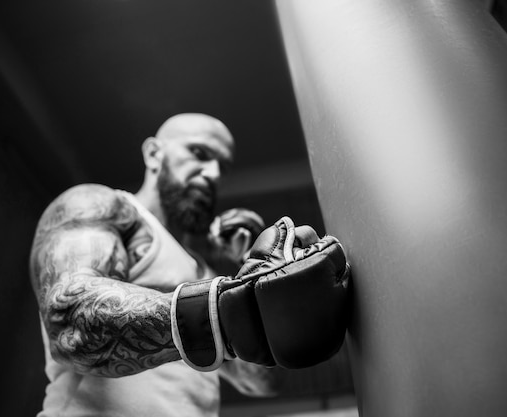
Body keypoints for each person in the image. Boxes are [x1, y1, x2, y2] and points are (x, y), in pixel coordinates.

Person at [29, 113, 350, 416]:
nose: (212, 174)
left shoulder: (206, 271)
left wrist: (245, 284)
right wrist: (221, 311)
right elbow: (70, 321)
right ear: (154, 154)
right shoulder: (102, 206)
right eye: (198, 152)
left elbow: (262, 382)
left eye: (221, 166)